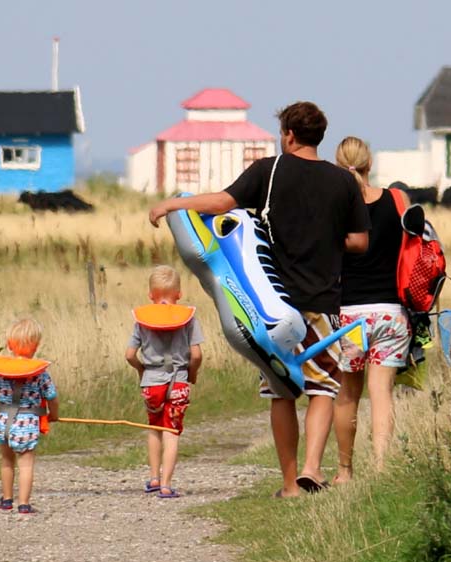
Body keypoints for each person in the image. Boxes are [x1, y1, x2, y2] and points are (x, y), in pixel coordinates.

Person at [148, 101, 369, 498]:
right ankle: (312, 468)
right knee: (323, 388)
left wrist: (173, 204)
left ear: (288, 134)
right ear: (320, 136)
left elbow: (222, 203)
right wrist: (325, 238)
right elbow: (359, 241)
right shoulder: (343, 182)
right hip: (322, 302)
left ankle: (289, 486)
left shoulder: (270, 170)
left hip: (272, 304)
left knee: (282, 391)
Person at [331, 136, 410, 483]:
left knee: (347, 394)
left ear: (337, 167)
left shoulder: (333, 207)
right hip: (392, 312)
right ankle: (380, 469)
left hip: (348, 314)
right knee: (382, 395)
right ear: (370, 164)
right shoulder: (397, 199)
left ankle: (345, 471)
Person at [125, 265, 204, 499]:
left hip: (151, 381)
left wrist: (142, 370)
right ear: (179, 294)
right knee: (172, 432)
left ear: (150, 295)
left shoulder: (142, 320)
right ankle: (167, 485)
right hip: (179, 381)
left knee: (154, 428)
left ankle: (153, 478)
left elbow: (129, 354)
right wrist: (192, 372)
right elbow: (197, 355)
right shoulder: (189, 319)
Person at [0, 318, 59, 515]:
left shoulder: (0, 372)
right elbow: (52, 397)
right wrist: (53, 415)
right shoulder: (40, 374)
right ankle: (23, 504)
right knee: (26, 464)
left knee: (6, 460)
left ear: (9, 345)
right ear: (36, 347)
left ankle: (6, 500)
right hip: (28, 425)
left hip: (4, 423)